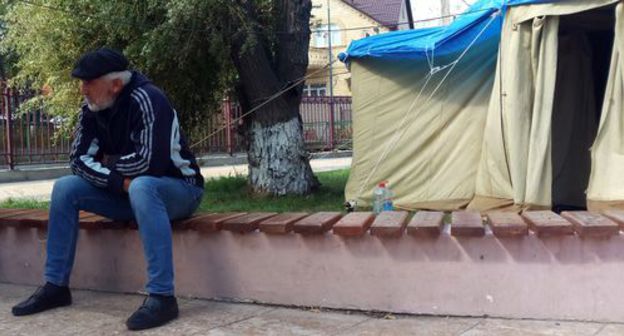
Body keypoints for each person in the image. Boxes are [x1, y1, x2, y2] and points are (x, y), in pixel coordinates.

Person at [10, 48, 205, 331]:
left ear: (115, 83)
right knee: (65, 188)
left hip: (179, 191)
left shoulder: (149, 99)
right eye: (81, 82)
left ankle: (163, 297)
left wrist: (109, 163)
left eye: (89, 82)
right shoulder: (93, 109)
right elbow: (77, 161)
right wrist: (117, 181)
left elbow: (149, 163)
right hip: (130, 193)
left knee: (142, 185)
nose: (82, 89)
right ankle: (56, 287)